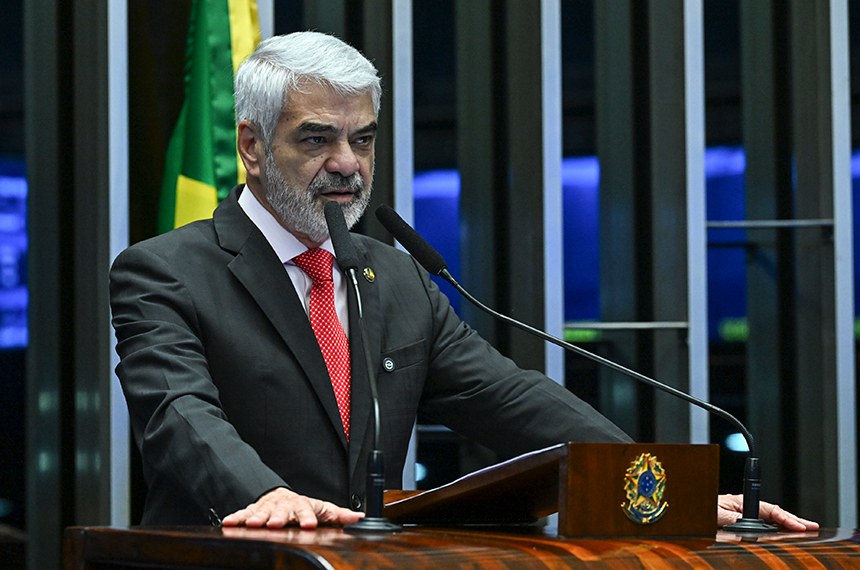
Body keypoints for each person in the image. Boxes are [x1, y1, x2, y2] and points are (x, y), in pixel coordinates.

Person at [110, 31, 817, 532]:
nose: (348, 164)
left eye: (363, 139)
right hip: (223, 556)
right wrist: (267, 493)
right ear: (252, 148)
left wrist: (659, 492)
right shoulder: (166, 271)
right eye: (317, 138)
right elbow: (178, 414)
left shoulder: (391, 275)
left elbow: (507, 400)